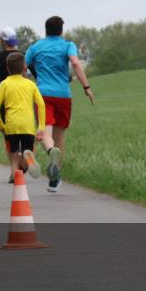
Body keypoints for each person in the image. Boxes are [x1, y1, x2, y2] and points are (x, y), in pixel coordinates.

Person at [25, 15, 96, 192]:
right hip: (63, 96)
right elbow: (75, 63)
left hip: (42, 95)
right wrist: (86, 87)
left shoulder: (35, 47)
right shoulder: (68, 45)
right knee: (59, 138)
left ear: (46, 30)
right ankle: (55, 179)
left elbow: (23, 68)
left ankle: (50, 153)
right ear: (61, 30)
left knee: (44, 133)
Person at [0, 52, 45, 182]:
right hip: (28, 126)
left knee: (13, 155)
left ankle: (15, 177)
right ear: (24, 68)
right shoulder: (30, 84)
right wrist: (41, 127)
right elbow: (41, 104)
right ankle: (27, 160)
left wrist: (1, 126)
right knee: (28, 150)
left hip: (11, 126)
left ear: (7, 68)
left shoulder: (4, 84)